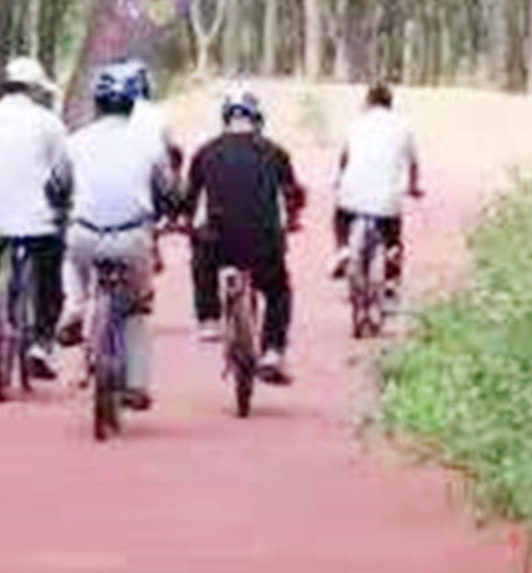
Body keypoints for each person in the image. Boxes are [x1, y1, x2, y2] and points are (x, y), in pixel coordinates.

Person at [62, 61, 184, 410]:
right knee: (137, 308)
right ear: (134, 104)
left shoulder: (76, 142)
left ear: (96, 104)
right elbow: (170, 192)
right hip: (133, 239)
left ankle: (76, 306)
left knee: (71, 263)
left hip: (84, 235)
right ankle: (136, 384)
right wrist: (167, 214)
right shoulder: (148, 145)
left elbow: (57, 186)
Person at [185, 90, 305, 385]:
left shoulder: (205, 152)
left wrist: (187, 226)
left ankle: (209, 318)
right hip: (264, 243)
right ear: (257, 120)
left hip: (219, 242)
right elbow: (293, 195)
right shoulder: (276, 153)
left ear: (226, 119)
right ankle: (274, 351)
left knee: (201, 259)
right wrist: (293, 221)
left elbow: (189, 200)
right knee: (278, 291)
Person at [0, 55, 73, 379]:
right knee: (50, 273)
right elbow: (62, 172)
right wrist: (65, 204)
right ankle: (42, 340)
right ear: (35, 90)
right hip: (38, 217)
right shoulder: (50, 123)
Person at [329, 80, 424, 308]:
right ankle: (391, 277)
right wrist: (413, 187)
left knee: (341, 217)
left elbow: (344, 158)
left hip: (351, 194)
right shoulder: (403, 126)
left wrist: (340, 180)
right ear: (390, 103)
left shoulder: (355, 124)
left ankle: (343, 249)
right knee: (393, 234)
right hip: (387, 199)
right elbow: (413, 164)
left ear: (368, 102)